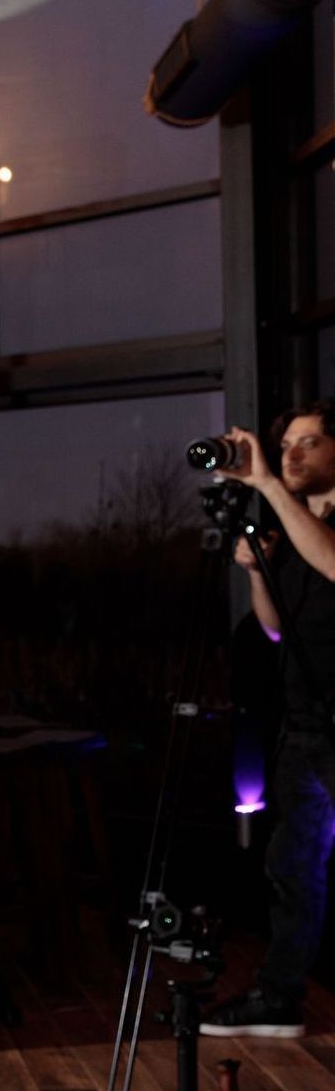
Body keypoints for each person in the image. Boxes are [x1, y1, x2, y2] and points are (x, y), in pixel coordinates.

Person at [205, 409, 335, 1038]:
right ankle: (279, 997)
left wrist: (269, 489)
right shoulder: (296, 526)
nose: (291, 455)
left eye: (308, 443)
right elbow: (276, 626)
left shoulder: (312, 526)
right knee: (292, 867)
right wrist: (258, 571)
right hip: (304, 725)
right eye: (285, 446)